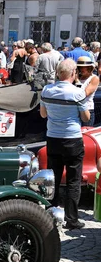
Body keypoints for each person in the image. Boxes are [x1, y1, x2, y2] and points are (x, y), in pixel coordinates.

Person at [40, 58, 90, 230]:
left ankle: (50, 214)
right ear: (73, 73)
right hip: (73, 139)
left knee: (53, 178)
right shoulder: (77, 93)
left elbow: (43, 114)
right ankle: (72, 219)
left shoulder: (47, 90)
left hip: (53, 138)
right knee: (73, 180)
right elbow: (86, 117)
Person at [77, 57, 99, 126]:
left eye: (84, 67)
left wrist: (77, 82)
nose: (81, 69)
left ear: (89, 68)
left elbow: (84, 94)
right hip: (75, 110)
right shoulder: (77, 77)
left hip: (87, 109)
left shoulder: (94, 78)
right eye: (79, 67)